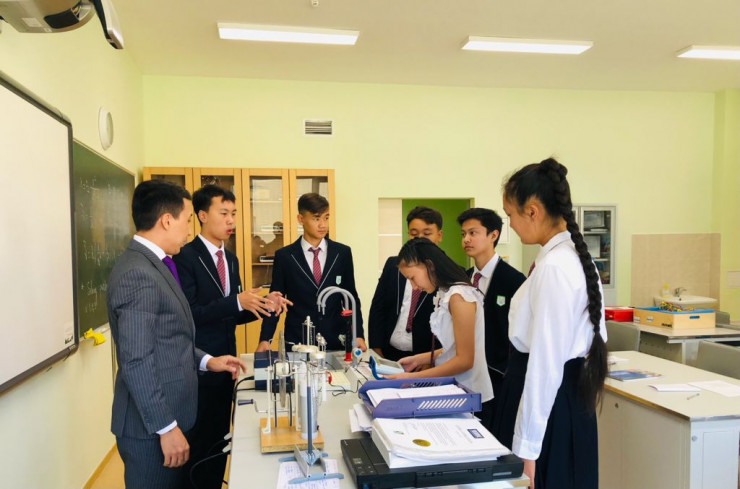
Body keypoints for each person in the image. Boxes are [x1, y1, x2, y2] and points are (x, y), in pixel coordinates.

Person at [107, 180, 246, 489]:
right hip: (151, 429)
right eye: (186, 219)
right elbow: (137, 360)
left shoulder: (156, 264)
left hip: (171, 416)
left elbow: (167, 339)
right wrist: (166, 427)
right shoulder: (138, 273)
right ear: (167, 220)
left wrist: (208, 361)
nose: (188, 229)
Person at [494, 158, 608, 489]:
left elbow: (545, 365)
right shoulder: (572, 258)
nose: (511, 224)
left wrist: (527, 448)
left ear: (532, 211)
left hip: (549, 407)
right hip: (565, 400)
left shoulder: (555, 267)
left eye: (510, 214)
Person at [173, 185, 290, 489]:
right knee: (198, 446)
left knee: (218, 444)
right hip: (199, 367)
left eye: (234, 214)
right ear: (202, 215)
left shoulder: (231, 258)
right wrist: (237, 301)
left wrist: (264, 305)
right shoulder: (185, 257)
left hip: (228, 367)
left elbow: (233, 314)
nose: (231, 221)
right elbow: (190, 314)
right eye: (223, 213)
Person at [385, 238, 493, 405]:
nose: (414, 286)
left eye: (412, 278)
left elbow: (465, 360)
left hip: (469, 393)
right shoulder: (446, 293)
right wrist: (418, 359)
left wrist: (413, 377)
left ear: (429, 265)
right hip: (455, 390)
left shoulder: (459, 297)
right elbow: (453, 347)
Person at [256, 193, 365, 352]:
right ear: (301, 219)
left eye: (326, 218)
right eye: (316, 218)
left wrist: (358, 334)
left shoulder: (342, 253)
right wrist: (265, 339)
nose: (323, 225)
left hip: (335, 340)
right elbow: (275, 300)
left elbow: (351, 297)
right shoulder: (285, 256)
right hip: (298, 341)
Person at [457, 208, 525, 429]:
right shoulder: (464, 278)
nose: (466, 239)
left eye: (473, 233)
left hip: (498, 377)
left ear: (493, 235)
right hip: (466, 375)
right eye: (463, 234)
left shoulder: (514, 280)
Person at [368, 206, 444, 361]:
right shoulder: (393, 265)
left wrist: (430, 360)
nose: (420, 239)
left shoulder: (448, 273)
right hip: (388, 354)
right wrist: (376, 348)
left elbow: (447, 327)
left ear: (439, 235)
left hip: (425, 358)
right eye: (414, 234)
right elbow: (378, 307)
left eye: (427, 233)